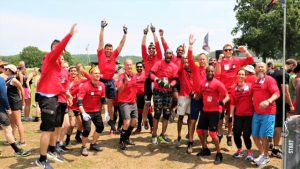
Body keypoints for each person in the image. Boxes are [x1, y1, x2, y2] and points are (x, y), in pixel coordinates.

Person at [35, 24, 76, 169]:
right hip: (47, 98)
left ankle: (52, 151)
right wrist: (69, 35)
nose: (60, 51)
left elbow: (57, 84)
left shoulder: (58, 67)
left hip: (54, 98)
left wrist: (67, 93)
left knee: (53, 128)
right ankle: (41, 159)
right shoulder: (50, 58)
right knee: (47, 130)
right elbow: (58, 49)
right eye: (57, 48)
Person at [215, 43, 254, 146]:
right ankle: (219, 134)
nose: (227, 51)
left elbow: (251, 61)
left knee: (230, 115)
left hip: (233, 92)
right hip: (222, 93)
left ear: (232, 51)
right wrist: (219, 60)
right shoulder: (220, 62)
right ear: (223, 51)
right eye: (225, 50)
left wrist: (245, 51)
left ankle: (228, 134)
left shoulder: (237, 60)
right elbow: (216, 75)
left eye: (229, 49)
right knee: (220, 116)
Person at [97, 19, 127, 134]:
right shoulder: (101, 54)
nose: (109, 50)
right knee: (99, 103)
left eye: (110, 49)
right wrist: (102, 28)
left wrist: (125, 34)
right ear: (104, 49)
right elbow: (101, 41)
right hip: (101, 81)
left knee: (110, 103)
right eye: (107, 49)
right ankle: (98, 121)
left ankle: (112, 122)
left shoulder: (114, 55)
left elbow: (121, 45)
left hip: (110, 82)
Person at [196, 65, 229, 164]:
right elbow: (200, 95)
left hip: (215, 111)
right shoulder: (202, 83)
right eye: (208, 71)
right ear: (206, 72)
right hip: (205, 110)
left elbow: (227, 96)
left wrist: (223, 101)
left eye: (212, 71)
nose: (210, 73)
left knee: (212, 133)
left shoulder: (218, 83)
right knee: (199, 130)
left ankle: (219, 154)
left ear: (214, 72)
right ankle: (205, 149)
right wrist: (195, 96)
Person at [252, 62, 280, 167]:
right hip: (257, 112)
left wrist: (268, 101)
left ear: (266, 69)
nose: (260, 69)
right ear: (255, 69)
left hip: (268, 113)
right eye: (258, 67)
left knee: (264, 136)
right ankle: (263, 154)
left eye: (262, 67)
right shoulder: (256, 80)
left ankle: (265, 156)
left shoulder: (270, 80)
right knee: (254, 135)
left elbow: (277, 93)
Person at [150, 49, 178, 144]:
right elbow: (151, 74)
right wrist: (157, 80)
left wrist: (171, 85)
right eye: (167, 53)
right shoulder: (158, 63)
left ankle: (162, 135)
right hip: (158, 91)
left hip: (168, 92)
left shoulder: (174, 66)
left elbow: (175, 79)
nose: (168, 55)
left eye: (170, 53)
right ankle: (154, 135)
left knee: (166, 114)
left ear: (172, 55)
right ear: (164, 54)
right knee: (157, 113)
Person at [77, 66, 107, 156]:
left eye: (99, 73)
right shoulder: (85, 86)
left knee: (100, 127)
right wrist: (83, 113)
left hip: (96, 111)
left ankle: (93, 144)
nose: (98, 75)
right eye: (95, 73)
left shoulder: (102, 85)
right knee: (87, 130)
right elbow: (79, 102)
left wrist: (106, 112)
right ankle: (83, 147)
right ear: (91, 75)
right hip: (86, 111)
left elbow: (103, 100)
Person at [186, 35, 207, 154]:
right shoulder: (195, 69)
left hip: (206, 100)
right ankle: (190, 141)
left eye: (204, 59)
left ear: (207, 60)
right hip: (195, 99)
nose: (202, 61)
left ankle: (204, 141)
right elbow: (189, 58)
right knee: (193, 120)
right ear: (198, 60)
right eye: (200, 59)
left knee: (204, 122)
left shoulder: (210, 71)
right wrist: (190, 45)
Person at [0, 76, 30, 157]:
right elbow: (3, 96)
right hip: (1, 109)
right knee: (7, 129)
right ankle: (17, 150)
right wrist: (8, 107)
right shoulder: (1, 80)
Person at [159, 29, 186, 121]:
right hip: (174, 80)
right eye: (178, 50)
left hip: (182, 82)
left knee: (177, 100)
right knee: (176, 98)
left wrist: (185, 53)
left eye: (181, 50)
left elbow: (184, 62)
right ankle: (172, 111)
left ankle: (171, 111)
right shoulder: (173, 57)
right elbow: (166, 47)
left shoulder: (183, 59)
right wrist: (162, 36)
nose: (180, 51)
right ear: (176, 51)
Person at [269, 62, 294, 158]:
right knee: (278, 125)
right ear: (291, 65)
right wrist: (291, 105)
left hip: (272, 101)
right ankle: (275, 148)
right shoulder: (285, 74)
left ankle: (271, 144)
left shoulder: (273, 72)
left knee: (273, 123)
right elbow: (285, 91)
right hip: (280, 102)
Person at [141, 24, 162, 130]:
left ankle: (155, 125)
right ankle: (144, 121)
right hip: (148, 81)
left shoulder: (159, 56)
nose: (151, 49)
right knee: (147, 103)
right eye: (150, 48)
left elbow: (158, 44)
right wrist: (145, 34)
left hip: (157, 80)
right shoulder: (146, 57)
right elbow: (143, 46)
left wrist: (154, 32)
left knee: (158, 104)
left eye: (153, 48)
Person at [230, 69, 254, 161]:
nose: (241, 76)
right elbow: (232, 103)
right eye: (239, 74)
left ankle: (249, 152)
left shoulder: (250, 86)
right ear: (237, 75)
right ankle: (239, 150)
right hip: (238, 115)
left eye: (243, 74)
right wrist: (231, 116)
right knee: (236, 134)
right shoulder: (233, 88)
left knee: (246, 135)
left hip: (249, 115)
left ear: (245, 76)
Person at [117, 59, 139, 150]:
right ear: (124, 66)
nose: (129, 66)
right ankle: (122, 140)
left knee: (135, 122)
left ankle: (127, 137)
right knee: (126, 122)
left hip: (133, 102)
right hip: (124, 102)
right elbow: (119, 89)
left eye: (130, 65)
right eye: (127, 65)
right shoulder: (121, 76)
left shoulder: (134, 75)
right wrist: (125, 82)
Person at [4, 64, 26, 145]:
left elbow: (22, 89)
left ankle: (22, 141)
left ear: (10, 71)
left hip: (15, 103)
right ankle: (13, 139)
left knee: (18, 122)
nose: (5, 70)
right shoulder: (7, 80)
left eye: (6, 69)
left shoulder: (14, 80)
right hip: (10, 103)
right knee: (12, 122)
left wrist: (23, 101)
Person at [175, 57, 193, 148]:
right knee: (181, 117)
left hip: (192, 97)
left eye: (188, 62)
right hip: (182, 97)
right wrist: (184, 55)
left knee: (190, 118)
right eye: (185, 62)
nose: (187, 64)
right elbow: (181, 64)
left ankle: (189, 136)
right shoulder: (182, 71)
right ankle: (179, 136)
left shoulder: (193, 72)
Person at [133, 61, 153, 134]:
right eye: (137, 67)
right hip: (137, 97)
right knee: (139, 113)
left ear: (143, 67)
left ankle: (152, 128)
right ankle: (138, 128)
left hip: (146, 96)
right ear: (136, 67)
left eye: (140, 66)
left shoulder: (146, 75)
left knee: (148, 112)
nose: (139, 68)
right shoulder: (134, 76)